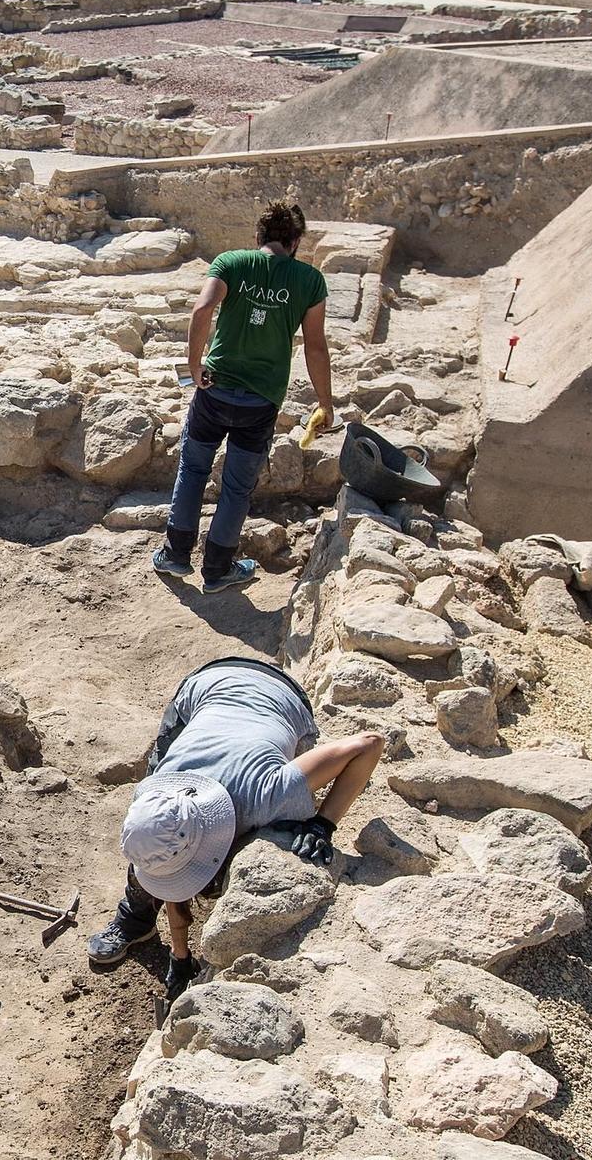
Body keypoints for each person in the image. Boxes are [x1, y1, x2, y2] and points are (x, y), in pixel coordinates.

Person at [86, 656, 383, 998]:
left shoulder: (268, 794)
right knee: (154, 843)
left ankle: (154, 912)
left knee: (268, 832)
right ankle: (134, 920)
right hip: (207, 687)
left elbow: (370, 744)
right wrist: (180, 955)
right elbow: (170, 858)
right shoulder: (155, 792)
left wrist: (322, 824)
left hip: (283, 698)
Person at [157, 199, 334, 592]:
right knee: (237, 486)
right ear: (295, 241)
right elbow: (315, 347)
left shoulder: (231, 262)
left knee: (193, 469)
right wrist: (325, 402)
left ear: (260, 236)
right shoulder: (310, 281)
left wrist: (194, 363)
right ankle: (218, 570)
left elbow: (202, 311)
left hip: (213, 390)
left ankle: (175, 556)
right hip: (261, 400)